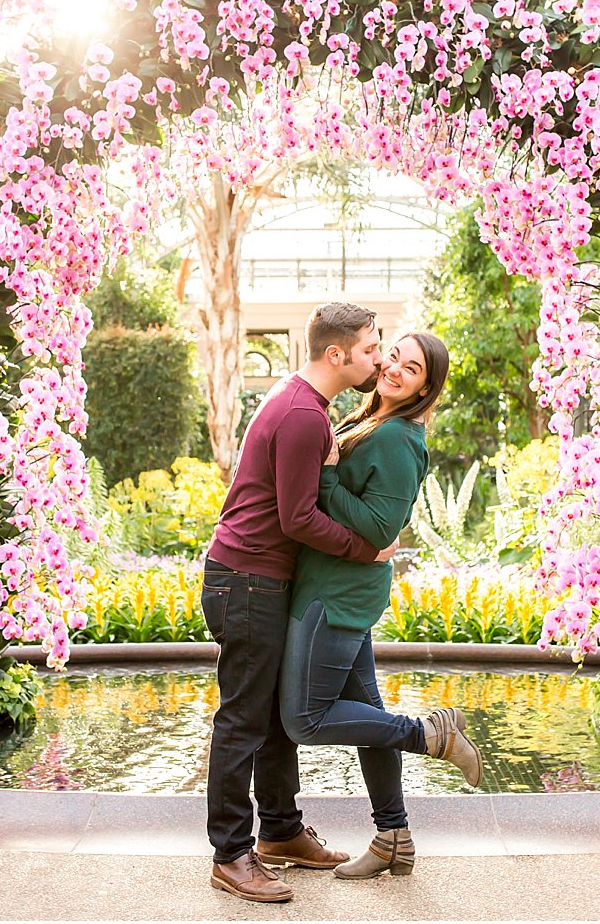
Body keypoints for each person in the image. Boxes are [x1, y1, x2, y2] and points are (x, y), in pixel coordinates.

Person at [201, 302, 401, 904]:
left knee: (271, 716)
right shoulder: (302, 415)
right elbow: (297, 517)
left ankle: (281, 832)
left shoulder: (310, 407)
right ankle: (231, 854)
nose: (379, 358)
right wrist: (365, 550)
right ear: (335, 354)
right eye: (370, 348)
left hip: (260, 579)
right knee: (242, 719)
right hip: (246, 579)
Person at [278, 331, 485, 879]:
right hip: (335, 588)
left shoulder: (396, 437)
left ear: (425, 387)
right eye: (393, 355)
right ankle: (393, 835)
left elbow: (377, 527)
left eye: (411, 368)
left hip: (336, 597)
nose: (394, 368)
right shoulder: (366, 418)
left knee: (304, 720)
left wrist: (323, 472)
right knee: (367, 717)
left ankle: (429, 735)